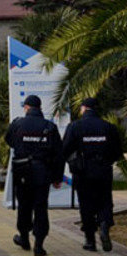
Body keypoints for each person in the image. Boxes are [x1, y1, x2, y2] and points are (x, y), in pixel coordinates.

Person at [6, 95, 64, 256]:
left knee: (24, 205)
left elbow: (9, 141)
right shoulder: (49, 126)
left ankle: (24, 238)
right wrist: (57, 177)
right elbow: (58, 154)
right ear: (39, 108)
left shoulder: (17, 124)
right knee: (40, 207)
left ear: (26, 107)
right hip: (42, 172)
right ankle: (39, 245)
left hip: (22, 171)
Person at [63, 98, 123, 252]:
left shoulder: (75, 127)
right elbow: (117, 152)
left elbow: (65, 149)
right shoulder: (108, 127)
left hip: (83, 172)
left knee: (86, 205)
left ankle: (90, 240)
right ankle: (104, 224)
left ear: (84, 108)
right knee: (104, 201)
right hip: (103, 170)